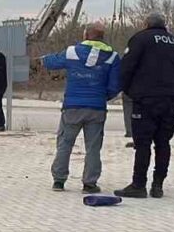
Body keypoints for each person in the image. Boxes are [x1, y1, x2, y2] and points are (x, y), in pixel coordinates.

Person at [42, 25, 122, 193]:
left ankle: (59, 180)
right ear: (102, 37)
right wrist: (101, 97)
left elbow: (51, 62)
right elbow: (115, 85)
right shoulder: (113, 57)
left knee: (65, 143)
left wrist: (39, 59)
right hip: (97, 108)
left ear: (86, 35)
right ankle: (89, 183)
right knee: (93, 147)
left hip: (72, 107)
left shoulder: (72, 52)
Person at [114, 13, 174, 199]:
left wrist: (127, 90)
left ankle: (139, 185)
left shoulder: (140, 38)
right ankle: (158, 185)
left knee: (143, 143)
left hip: (145, 99)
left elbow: (127, 66)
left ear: (146, 24)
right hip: (170, 100)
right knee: (163, 143)